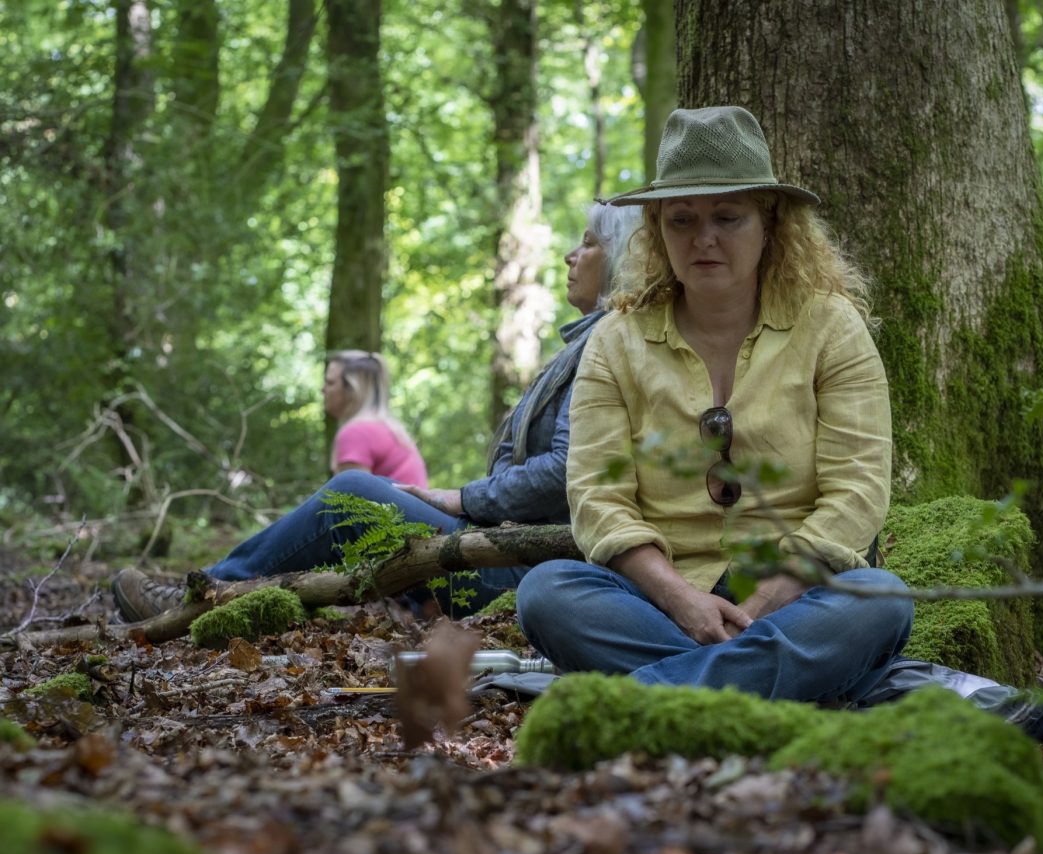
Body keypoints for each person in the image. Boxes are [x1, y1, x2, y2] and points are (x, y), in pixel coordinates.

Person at [516, 106, 915, 705]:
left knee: (881, 599)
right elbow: (597, 498)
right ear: (658, 229)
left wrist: (764, 603)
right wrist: (682, 599)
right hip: (658, 602)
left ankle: (638, 705)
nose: (704, 238)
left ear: (769, 223)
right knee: (548, 592)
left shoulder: (831, 328)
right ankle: (766, 688)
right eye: (682, 220)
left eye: (727, 217)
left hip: (797, 596)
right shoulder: (616, 341)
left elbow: (857, 492)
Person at [112, 200, 643, 622]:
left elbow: (565, 470)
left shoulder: (605, 347)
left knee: (352, 493)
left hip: (532, 574)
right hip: (509, 550)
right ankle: (224, 595)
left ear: (621, 260)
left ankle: (201, 598)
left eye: (588, 243)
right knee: (368, 495)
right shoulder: (592, 344)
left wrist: (462, 498)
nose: (571, 255)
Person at [323, 350, 428, 485]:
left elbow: (351, 496)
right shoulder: (386, 427)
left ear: (352, 389)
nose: (323, 389)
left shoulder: (357, 432)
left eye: (330, 383)